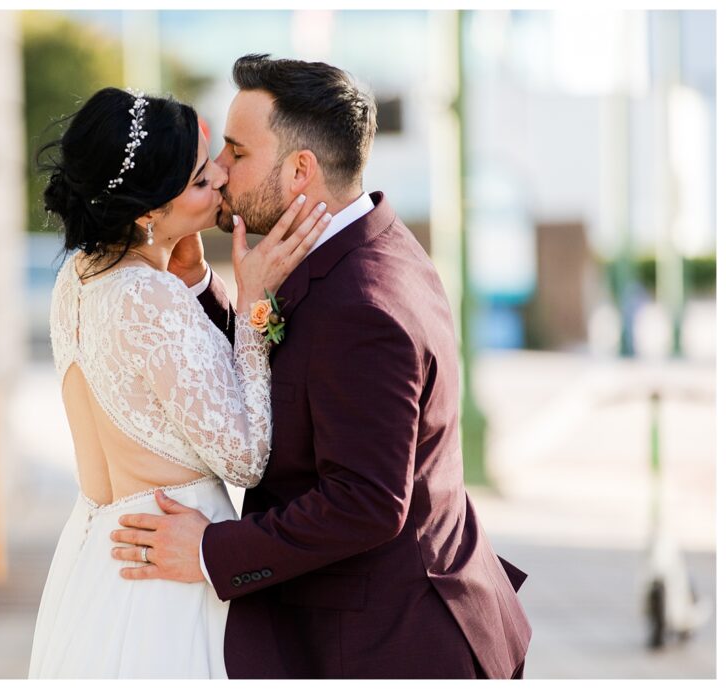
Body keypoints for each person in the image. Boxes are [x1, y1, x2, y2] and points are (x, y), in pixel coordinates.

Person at [110, 54, 533, 679]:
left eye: (235, 152)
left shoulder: (363, 305)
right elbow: (297, 374)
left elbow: (363, 500)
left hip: (389, 646)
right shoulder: (359, 241)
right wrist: (206, 286)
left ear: (300, 169)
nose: (218, 172)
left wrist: (207, 550)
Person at [26, 86, 330, 678]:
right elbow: (245, 460)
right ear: (146, 212)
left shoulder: (79, 280)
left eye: (210, 156)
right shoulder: (150, 297)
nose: (220, 177)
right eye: (197, 180)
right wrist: (251, 308)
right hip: (167, 580)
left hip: (98, 567)